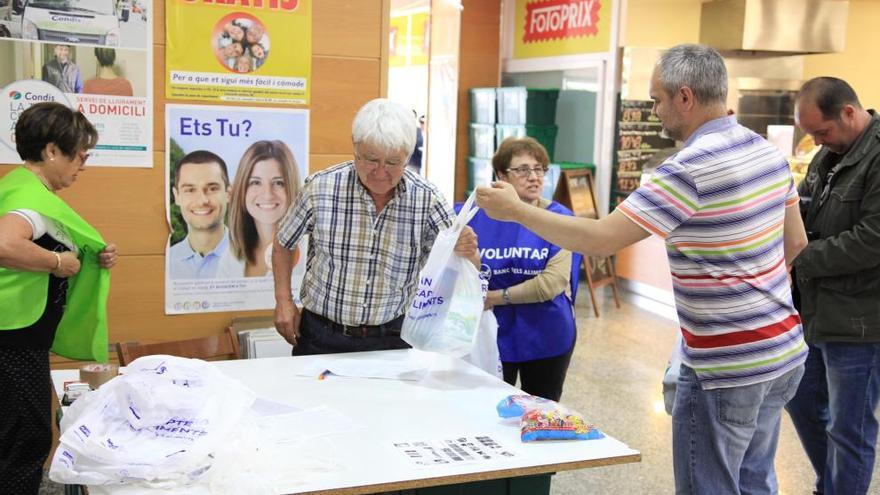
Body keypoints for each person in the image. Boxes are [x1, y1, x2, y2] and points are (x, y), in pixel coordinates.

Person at [477, 44, 809, 494]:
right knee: (755, 482)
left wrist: (517, 211)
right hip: (783, 350)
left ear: (685, 97)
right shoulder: (765, 152)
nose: (654, 112)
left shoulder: (687, 169)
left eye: (657, 100)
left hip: (723, 367)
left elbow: (600, 240)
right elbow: (796, 243)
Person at [273, 98, 478, 355]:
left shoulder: (428, 199)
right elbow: (283, 243)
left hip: (392, 337)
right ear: (355, 149)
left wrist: (467, 251)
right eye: (371, 160)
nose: (381, 172)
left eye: (393, 162)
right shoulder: (321, 188)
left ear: (407, 157)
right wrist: (283, 300)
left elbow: (466, 267)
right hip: (321, 335)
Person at [0, 102, 118, 494]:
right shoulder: (29, 200)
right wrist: (56, 261)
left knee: (20, 434)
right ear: (52, 151)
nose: (83, 164)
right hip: (13, 339)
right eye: (80, 155)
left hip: (20, 337)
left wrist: (90, 256)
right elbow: (4, 244)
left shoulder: (22, 188)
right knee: (25, 440)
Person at [784, 77, 880, 495]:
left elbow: (871, 239)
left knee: (850, 428)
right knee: (800, 399)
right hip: (816, 312)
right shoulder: (829, 154)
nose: (819, 142)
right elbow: (803, 208)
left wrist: (799, 256)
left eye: (822, 132)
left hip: (861, 323)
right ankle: (835, 485)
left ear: (848, 111)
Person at [469, 137, 581, 402]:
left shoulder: (559, 218)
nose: (534, 177)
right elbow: (465, 273)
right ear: (500, 175)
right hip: (491, 336)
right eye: (522, 170)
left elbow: (551, 283)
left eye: (539, 168)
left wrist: (494, 298)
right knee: (486, 410)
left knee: (540, 415)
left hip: (547, 336)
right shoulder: (477, 216)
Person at [219, 140, 301, 278]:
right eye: (255, 182)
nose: (267, 194)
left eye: (278, 183)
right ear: (242, 190)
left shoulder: (308, 252)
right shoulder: (231, 256)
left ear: (291, 187)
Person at [168, 150, 231, 280]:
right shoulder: (165, 262)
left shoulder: (257, 258)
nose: (202, 200)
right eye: (190, 190)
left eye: (212, 188)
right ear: (177, 196)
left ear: (228, 194)